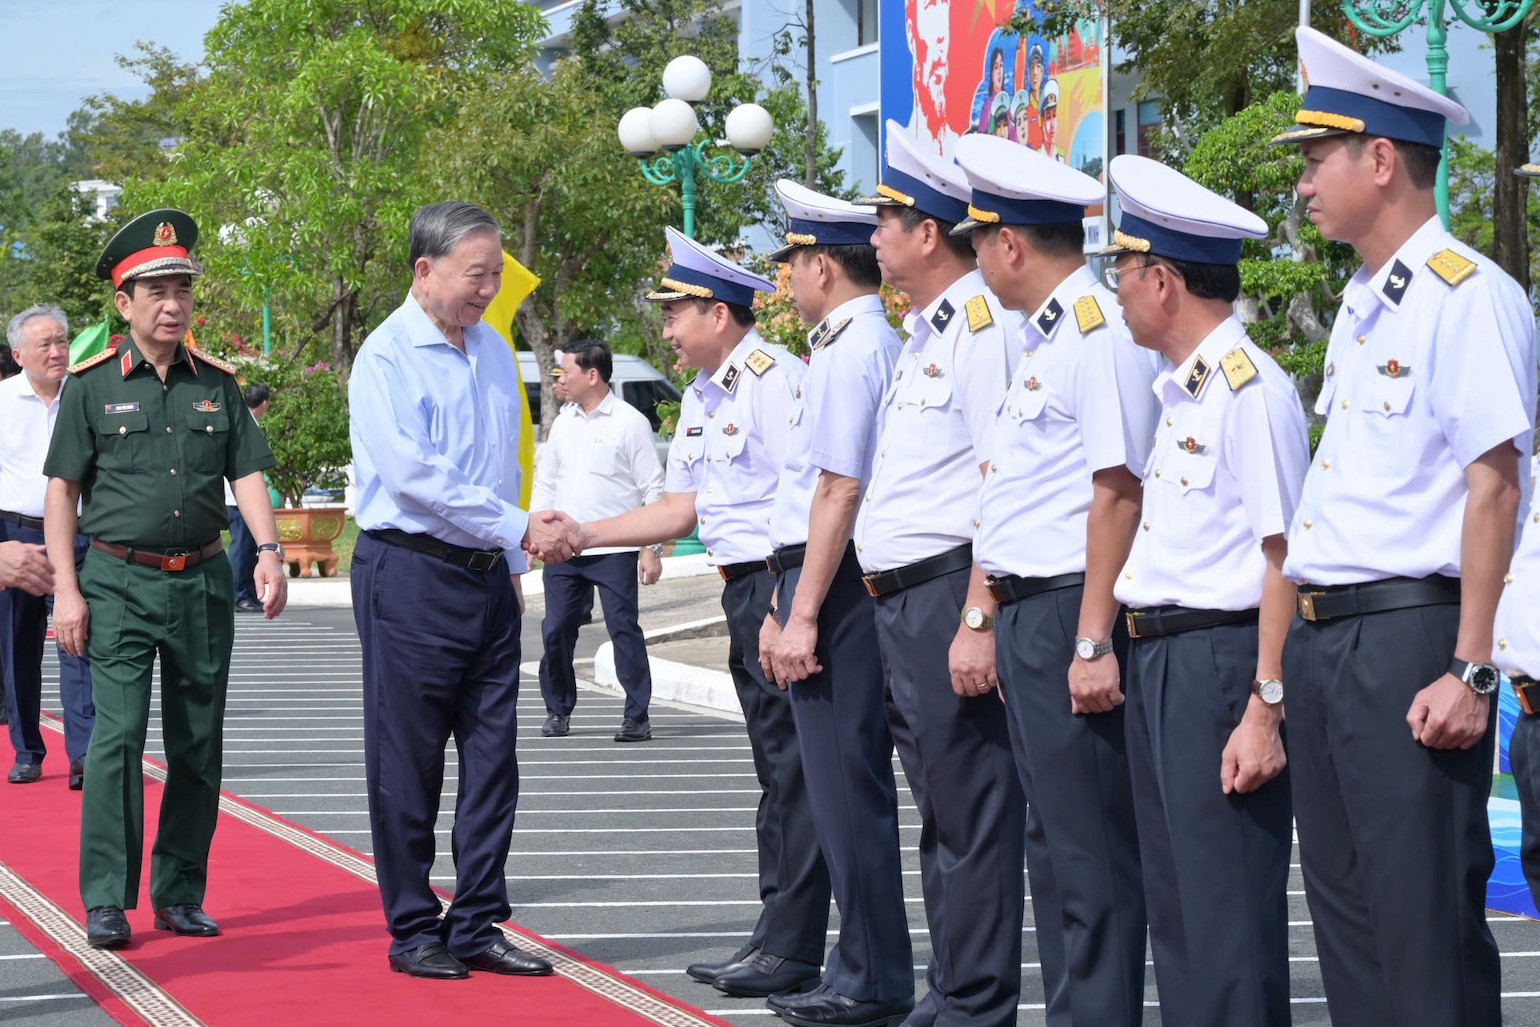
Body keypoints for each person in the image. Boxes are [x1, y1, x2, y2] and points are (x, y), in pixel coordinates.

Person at [1273, 27, 1537, 1025]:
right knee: (1349, 923)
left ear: (1378, 160)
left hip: (1408, 640)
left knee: (1422, 929)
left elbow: (1494, 488)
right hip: (1329, 638)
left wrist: (1471, 668)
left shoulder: (1469, 299)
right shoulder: (1359, 305)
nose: (1302, 182)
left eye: (1314, 159)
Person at [545, 226, 829, 1000]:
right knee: (775, 771)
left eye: (677, 312)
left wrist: (783, 603)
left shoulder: (777, 380)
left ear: (720, 313)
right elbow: (680, 509)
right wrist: (586, 535)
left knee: (797, 774)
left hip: (779, 582)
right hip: (740, 589)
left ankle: (796, 943)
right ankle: (777, 931)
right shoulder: (705, 397)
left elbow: (807, 502)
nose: (666, 329)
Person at [952, 134, 1160, 1025]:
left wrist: (1089, 636)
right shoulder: (1044, 339)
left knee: (1092, 854)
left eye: (977, 241)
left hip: (1073, 610)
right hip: (1029, 612)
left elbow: (1118, 487)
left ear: (1009, 245)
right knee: (1055, 843)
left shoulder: (1094, 332)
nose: (977, 260)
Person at [43, 208, 289, 950]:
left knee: (197, 742)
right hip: (117, 581)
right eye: (156, 290)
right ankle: (107, 900)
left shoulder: (216, 382)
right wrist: (66, 585)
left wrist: (270, 550)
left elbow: (246, 471)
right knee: (115, 742)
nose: (173, 302)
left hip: (202, 583)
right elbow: (62, 492)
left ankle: (180, 891)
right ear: (124, 303)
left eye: (181, 287)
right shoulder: (88, 388)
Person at [348, 201, 579, 980]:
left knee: (493, 758)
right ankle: (413, 924)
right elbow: (417, 478)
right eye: (475, 275)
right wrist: (519, 526)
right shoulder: (385, 356)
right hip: (409, 574)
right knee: (408, 759)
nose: (488, 290)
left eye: (494, 275)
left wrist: (514, 565)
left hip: (486, 577)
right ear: (425, 269)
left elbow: (500, 462)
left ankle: (477, 920)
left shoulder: (489, 347)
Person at [1103, 154, 1309, 1026]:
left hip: (1221, 662)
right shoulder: (1182, 395)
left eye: (1121, 271)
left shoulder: (1249, 392)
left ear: (1163, 279)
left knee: (1226, 916)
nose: (1114, 292)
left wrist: (1265, 704)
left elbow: (1284, 557)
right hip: (1159, 659)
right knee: (1180, 913)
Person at [853, 119, 1023, 1025]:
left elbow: (1004, 476)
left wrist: (978, 613)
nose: (872, 238)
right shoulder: (925, 333)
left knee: (972, 808)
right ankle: (954, 985)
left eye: (886, 220)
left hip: (947, 590)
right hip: (901, 599)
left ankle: (979, 997)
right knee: (942, 810)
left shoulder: (982, 330)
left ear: (927, 233)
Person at [757, 180, 912, 1027]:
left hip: (839, 581)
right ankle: (862, 963)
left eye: (791, 261)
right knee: (836, 784)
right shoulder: (850, 343)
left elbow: (840, 486)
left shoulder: (855, 350)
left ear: (821, 263)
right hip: (825, 574)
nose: (786, 277)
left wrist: (804, 608)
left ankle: (872, 973)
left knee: (847, 785)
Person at [530, 340, 664, 743]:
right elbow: (546, 481)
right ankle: (557, 710)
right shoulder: (564, 423)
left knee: (623, 628)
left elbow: (653, 488)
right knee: (555, 630)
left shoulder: (630, 421)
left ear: (592, 374)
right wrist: (537, 532)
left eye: (566, 371)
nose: (561, 379)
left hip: (615, 547)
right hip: (564, 549)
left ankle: (636, 716)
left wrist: (650, 547)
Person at [1, 305, 96, 789]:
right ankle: (27, 750)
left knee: (78, 639)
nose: (58, 351)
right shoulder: (0, 402)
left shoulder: (86, 396)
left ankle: (83, 753)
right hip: (17, 537)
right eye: (46, 344)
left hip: (80, 535)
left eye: (62, 341)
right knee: (18, 648)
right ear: (19, 354)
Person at [226, 381, 270, 613]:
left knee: (250, 547)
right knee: (241, 547)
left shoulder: (248, 421)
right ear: (264, 403)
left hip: (241, 499)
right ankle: (238, 594)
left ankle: (250, 594)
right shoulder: (243, 423)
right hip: (237, 499)